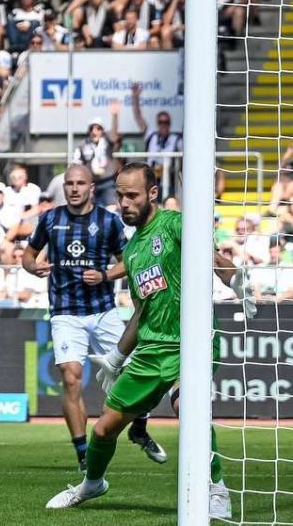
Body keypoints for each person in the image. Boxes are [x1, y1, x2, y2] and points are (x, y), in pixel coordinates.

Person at [46, 163, 239, 520]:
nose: (124, 203)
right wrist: (118, 357)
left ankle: (217, 489)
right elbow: (141, 312)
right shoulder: (132, 251)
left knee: (187, 407)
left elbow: (213, 259)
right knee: (103, 429)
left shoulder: (175, 224)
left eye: (132, 195)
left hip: (190, 342)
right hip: (150, 351)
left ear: (151, 194)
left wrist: (237, 283)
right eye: (119, 195)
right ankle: (92, 483)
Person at [22, 165, 164, 472]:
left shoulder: (109, 221)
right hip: (65, 312)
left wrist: (104, 275)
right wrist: (33, 267)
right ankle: (84, 453)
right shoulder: (50, 218)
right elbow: (27, 256)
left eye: (80, 183)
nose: (74, 188)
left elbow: (129, 261)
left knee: (136, 371)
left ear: (91, 188)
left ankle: (139, 427)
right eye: (69, 183)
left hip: (103, 311)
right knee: (71, 377)